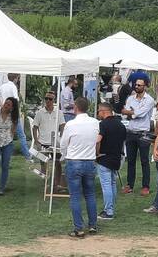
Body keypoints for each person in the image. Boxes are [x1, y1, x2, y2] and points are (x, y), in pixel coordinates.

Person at [61, 97, 99, 238]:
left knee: (75, 196)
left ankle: (79, 228)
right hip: (89, 161)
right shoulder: (95, 122)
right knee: (90, 194)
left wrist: (65, 155)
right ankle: (93, 225)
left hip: (74, 160)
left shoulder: (70, 124)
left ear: (76, 108)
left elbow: (63, 144)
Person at [121, 77, 155, 196]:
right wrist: (132, 113)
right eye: (136, 85)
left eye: (139, 85)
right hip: (131, 131)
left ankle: (145, 186)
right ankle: (130, 185)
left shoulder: (149, 100)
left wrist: (130, 112)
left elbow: (140, 114)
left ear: (145, 86)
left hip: (143, 133)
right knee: (130, 160)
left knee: (144, 161)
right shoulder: (130, 98)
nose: (137, 87)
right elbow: (125, 115)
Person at [95, 103, 127, 220]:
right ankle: (111, 208)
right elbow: (123, 142)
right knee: (113, 183)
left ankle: (108, 211)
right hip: (116, 158)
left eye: (99, 111)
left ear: (104, 111)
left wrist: (96, 153)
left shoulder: (103, 124)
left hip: (104, 158)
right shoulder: (121, 125)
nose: (98, 114)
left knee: (106, 185)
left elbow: (98, 141)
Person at [32, 91, 66, 187]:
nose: (47, 100)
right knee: (43, 163)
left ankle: (57, 183)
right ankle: (46, 183)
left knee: (57, 163)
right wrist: (36, 140)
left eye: (50, 99)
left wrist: (62, 138)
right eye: (46, 98)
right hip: (43, 142)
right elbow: (34, 127)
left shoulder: (59, 112)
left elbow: (63, 125)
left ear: (54, 100)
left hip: (55, 142)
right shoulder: (40, 112)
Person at [0, 73, 31, 160]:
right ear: (16, 78)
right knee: (21, 135)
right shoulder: (13, 87)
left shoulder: (3, 86)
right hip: (13, 112)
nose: (18, 80)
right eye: (18, 78)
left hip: (4, 112)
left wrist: (2, 106)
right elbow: (16, 99)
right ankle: (27, 156)